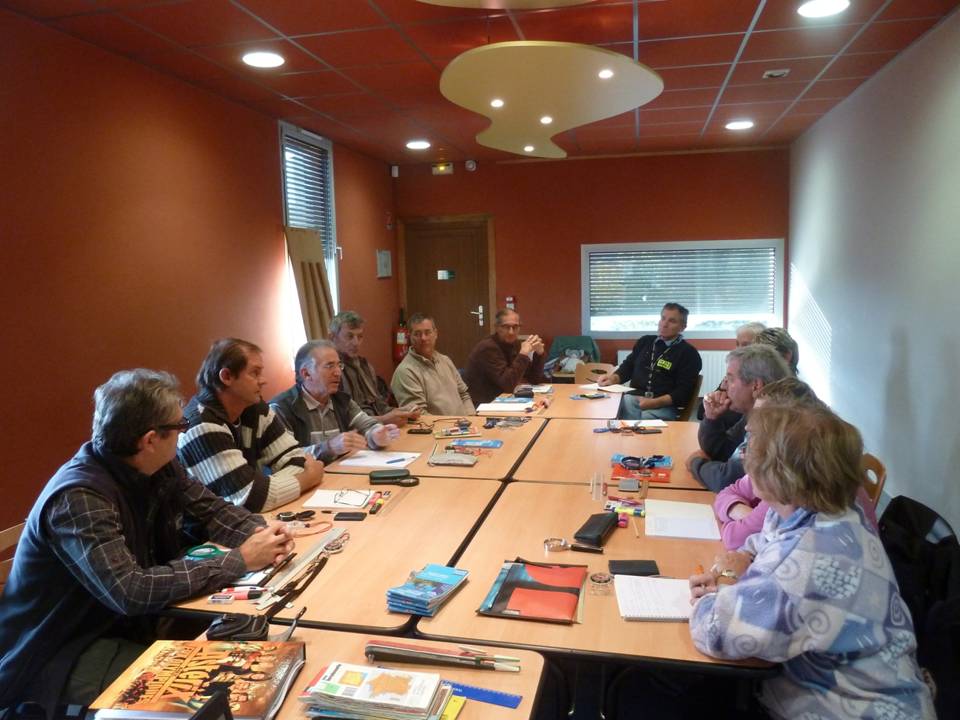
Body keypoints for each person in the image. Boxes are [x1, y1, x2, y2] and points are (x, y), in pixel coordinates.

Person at [0, 370, 294, 712]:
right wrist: (239, 560)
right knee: (212, 691)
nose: (184, 432)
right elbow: (131, 590)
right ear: (151, 439)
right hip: (61, 647)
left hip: (128, 622)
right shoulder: (80, 498)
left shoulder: (156, 465)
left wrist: (262, 534)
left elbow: (212, 511)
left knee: (250, 656)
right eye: (180, 426)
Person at [689, 403, 935, 719]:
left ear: (777, 474)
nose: (746, 457)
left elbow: (715, 633)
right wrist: (744, 558)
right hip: (889, 687)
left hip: (850, 709)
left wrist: (724, 579)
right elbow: (768, 540)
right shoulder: (836, 512)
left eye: (753, 449)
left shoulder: (801, 564)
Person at [712, 377, 878, 550]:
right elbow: (727, 493)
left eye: (763, 422)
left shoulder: (793, 479)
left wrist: (735, 519)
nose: (749, 426)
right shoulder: (782, 466)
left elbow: (733, 538)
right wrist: (744, 513)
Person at [178, 338, 324, 513]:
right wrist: (307, 479)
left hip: (246, 521)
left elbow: (296, 460)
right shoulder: (200, 425)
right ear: (226, 377)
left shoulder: (254, 408)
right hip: (209, 528)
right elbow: (248, 499)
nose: (263, 380)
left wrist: (266, 489)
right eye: (255, 373)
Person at [270, 340, 401, 464]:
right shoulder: (281, 408)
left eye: (339, 365)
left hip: (338, 474)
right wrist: (328, 448)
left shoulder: (342, 401)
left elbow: (368, 425)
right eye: (329, 366)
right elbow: (284, 458)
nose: (338, 373)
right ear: (306, 374)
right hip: (305, 479)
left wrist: (376, 435)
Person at [687, 344, 789, 491]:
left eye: (731, 379)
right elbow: (722, 451)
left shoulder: (774, 421)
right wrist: (711, 418)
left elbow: (728, 480)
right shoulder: (754, 412)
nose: (724, 386)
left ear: (756, 385)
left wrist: (696, 463)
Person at [597, 302, 702, 420]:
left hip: (664, 405)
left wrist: (654, 403)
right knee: (617, 405)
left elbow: (683, 392)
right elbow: (627, 367)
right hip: (633, 399)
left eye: (672, 321)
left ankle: (630, 430)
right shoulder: (645, 342)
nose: (664, 324)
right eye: (663, 318)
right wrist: (612, 379)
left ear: (682, 327)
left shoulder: (689, 354)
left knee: (644, 419)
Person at [329, 310, 419, 426]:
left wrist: (402, 411)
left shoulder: (365, 366)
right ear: (333, 337)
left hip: (379, 428)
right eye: (349, 336)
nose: (356, 343)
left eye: (360, 336)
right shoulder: (331, 371)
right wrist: (384, 420)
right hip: (358, 433)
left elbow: (379, 406)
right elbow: (342, 420)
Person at [391, 313, 475, 415]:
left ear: (436, 334)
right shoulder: (405, 371)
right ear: (410, 336)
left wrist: (472, 418)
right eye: (417, 334)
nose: (423, 338)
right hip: (439, 426)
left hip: (466, 423)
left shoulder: (445, 360)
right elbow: (419, 416)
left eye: (427, 332)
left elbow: (464, 394)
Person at [462, 308, 546, 405]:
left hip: (503, 398)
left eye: (515, 327)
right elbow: (508, 385)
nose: (511, 332)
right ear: (497, 327)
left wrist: (539, 354)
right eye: (506, 327)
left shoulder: (514, 344)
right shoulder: (488, 347)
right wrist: (523, 354)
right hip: (483, 404)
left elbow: (534, 379)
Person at [697, 321, 767, 420]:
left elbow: (738, 418)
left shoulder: (763, 377)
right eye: (737, 344)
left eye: (746, 345)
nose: (738, 350)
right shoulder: (735, 372)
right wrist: (722, 391)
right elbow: (701, 412)